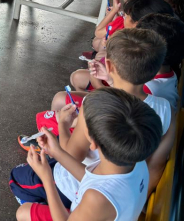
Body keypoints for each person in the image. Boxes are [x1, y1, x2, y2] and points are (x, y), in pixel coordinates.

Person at [14, 29, 172, 211]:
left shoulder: (95, 104)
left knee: (17, 177)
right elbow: (156, 166)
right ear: (154, 72)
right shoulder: (165, 109)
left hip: (73, 185)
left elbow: (70, 156)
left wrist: (64, 125)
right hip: (123, 188)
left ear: (110, 66)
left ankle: (47, 204)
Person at [14, 88, 162, 221]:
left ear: (93, 144)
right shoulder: (135, 161)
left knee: (23, 212)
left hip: (80, 214)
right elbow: (91, 179)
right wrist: (57, 152)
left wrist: (46, 178)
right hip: (99, 211)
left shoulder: (96, 198)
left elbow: (96, 191)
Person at [69, 0, 174, 93]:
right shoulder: (153, 49)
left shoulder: (139, 57)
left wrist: (97, 82)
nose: (123, 16)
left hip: (110, 96)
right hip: (112, 85)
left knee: (75, 79)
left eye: (126, 15)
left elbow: (121, 97)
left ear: (137, 23)